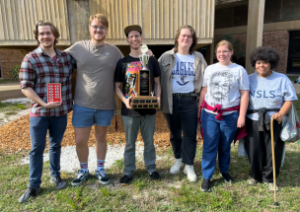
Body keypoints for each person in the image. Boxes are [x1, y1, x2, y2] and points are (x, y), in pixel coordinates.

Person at [18, 21, 76, 203]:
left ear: (55, 36)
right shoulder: (30, 59)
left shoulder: (66, 58)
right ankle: (33, 185)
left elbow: (87, 61)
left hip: (61, 112)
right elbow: (25, 87)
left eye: (48, 33)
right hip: (40, 114)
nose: (45, 36)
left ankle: (56, 176)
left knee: (56, 145)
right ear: (37, 36)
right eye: (41, 33)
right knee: (36, 149)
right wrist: (43, 103)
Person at [65, 14, 123, 185]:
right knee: (80, 140)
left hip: (106, 106)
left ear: (107, 30)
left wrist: (146, 57)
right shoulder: (78, 47)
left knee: (101, 138)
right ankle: (83, 169)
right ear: (89, 28)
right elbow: (57, 59)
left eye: (102, 27)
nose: (99, 30)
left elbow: (131, 67)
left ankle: (100, 168)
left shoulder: (114, 51)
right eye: (95, 26)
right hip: (82, 105)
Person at [198, 40, 250, 191]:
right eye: (219, 52)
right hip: (209, 115)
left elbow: (244, 93)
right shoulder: (210, 69)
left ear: (231, 52)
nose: (222, 54)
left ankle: (224, 171)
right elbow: (204, 90)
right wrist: (199, 110)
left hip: (230, 115)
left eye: (225, 51)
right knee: (209, 145)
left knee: (225, 146)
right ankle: (207, 177)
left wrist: (241, 116)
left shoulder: (239, 70)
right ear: (216, 54)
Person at [244, 46, 298, 191]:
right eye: (259, 62)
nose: (262, 65)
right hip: (253, 119)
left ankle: (270, 178)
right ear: (254, 63)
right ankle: (254, 175)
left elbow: (289, 99)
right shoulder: (248, 79)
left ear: (271, 63)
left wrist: (281, 113)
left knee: (273, 149)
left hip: (274, 120)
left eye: (265, 62)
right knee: (254, 149)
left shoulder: (282, 78)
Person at [158, 25, 207, 182]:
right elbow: (155, 77)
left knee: (190, 134)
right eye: (183, 36)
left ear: (193, 40)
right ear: (177, 38)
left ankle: (189, 165)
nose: (186, 39)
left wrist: (202, 103)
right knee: (174, 133)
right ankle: (178, 158)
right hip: (170, 100)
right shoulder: (165, 57)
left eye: (189, 37)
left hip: (190, 100)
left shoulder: (198, 57)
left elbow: (207, 81)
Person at [115, 25, 161, 185]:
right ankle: (128, 171)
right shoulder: (122, 62)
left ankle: (151, 168)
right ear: (128, 40)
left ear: (141, 38)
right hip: (130, 110)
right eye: (131, 36)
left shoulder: (151, 60)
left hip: (149, 108)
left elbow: (157, 83)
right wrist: (124, 100)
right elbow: (117, 87)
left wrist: (159, 98)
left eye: (137, 36)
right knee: (129, 144)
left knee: (149, 142)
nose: (134, 39)